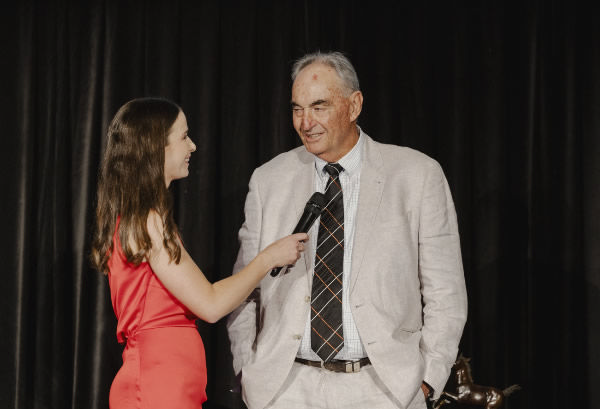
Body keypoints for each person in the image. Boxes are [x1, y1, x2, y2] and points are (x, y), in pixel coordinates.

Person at [227, 51, 468, 409]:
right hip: (286, 389)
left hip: (384, 389)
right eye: (297, 109)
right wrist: (248, 371)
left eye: (319, 106)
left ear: (353, 106)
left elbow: (446, 293)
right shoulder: (268, 181)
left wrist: (427, 381)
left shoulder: (416, 175)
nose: (305, 122)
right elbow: (244, 291)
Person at [90, 97, 308, 409]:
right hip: (155, 386)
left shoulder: (145, 218)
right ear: (156, 147)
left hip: (166, 382)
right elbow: (211, 303)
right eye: (183, 137)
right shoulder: (148, 221)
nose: (192, 146)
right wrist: (268, 258)